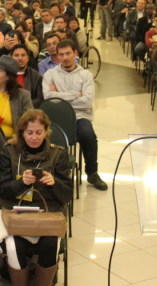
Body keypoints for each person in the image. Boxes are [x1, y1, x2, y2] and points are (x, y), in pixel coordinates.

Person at [0, 110, 71, 286]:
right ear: (21, 132)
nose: (34, 137)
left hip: (48, 215)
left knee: (50, 245)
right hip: (16, 214)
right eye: (29, 132)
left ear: (46, 132)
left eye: (39, 132)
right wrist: (21, 183)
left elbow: (67, 195)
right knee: (13, 248)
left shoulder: (59, 154)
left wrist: (54, 183)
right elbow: (3, 190)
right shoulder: (8, 152)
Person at [42, 39, 108, 191]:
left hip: (80, 116)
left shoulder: (85, 75)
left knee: (88, 135)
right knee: (50, 137)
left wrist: (60, 95)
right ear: (57, 57)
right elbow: (49, 99)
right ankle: (56, 172)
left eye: (68, 54)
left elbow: (86, 102)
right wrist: (76, 94)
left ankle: (92, 173)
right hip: (57, 118)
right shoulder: (50, 74)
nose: (65, 58)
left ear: (75, 53)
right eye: (61, 54)